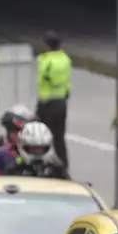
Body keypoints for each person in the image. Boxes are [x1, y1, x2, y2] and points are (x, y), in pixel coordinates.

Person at [36, 29, 72, 168]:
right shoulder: (65, 59)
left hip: (47, 102)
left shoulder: (46, 61)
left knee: (42, 136)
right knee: (59, 136)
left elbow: (45, 79)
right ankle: (63, 163)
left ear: (47, 45)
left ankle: (44, 163)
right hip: (61, 101)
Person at [1, 121, 69, 178]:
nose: (37, 152)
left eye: (40, 148)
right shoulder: (14, 169)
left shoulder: (57, 169)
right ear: (23, 147)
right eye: (33, 148)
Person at [0, 105, 36, 175]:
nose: (14, 135)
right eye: (11, 130)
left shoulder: (38, 152)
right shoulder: (2, 154)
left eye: (18, 130)